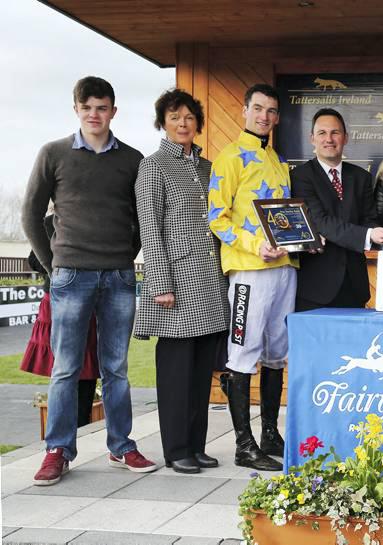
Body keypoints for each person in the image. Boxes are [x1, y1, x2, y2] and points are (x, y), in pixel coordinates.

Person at [22, 76, 157, 486]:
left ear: (113, 111)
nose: (94, 115)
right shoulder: (53, 153)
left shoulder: (133, 160)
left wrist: (125, 255)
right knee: (65, 368)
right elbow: (30, 215)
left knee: (116, 367)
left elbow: (142, 218)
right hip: (71, 276)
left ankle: (121, 445)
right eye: (87, 108)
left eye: (102, 108)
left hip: (119, 277)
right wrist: (54, 266)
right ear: (76, 110)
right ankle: (57, 451)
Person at [134, 89, 229, 474]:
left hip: (209, 280)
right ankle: (176, 450)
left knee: (201, 370)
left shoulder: (208, 168)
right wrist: (160, 282)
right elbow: (150, 228)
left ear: (198, 123)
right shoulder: (153, 166)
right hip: (175, 280)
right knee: (176, 371)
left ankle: (196, 445)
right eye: (174, 117)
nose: (183, 123)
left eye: (189, 117)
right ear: (163, 122)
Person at [209, 83, 295, 472]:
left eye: (271, 111)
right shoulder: (229, 157)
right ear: (244, 110)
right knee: (243, 352)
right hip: (249, 270)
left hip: (285, 268)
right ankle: (244, 445)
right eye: (258, 108)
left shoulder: (278, 159)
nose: (264, 116)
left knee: (277, 353)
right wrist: (253, 245)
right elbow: (216, 218)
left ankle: (269, 434)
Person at [292, 108, 383, 310]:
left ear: (345, 138)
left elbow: (369, 219)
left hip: (355, 286)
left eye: (335, 132)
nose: (329, 139)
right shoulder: (300, 177)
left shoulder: (361, 177)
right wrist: (368, 235)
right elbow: (320, 222)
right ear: (312, 139)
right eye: (322, 133)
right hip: (315, 289)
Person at [20, 213, 100, 428]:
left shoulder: (51, 222)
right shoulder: (56, 221)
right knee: (77, 364)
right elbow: (34, 260)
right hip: (72, 297)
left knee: (68, 365)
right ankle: (76, 427)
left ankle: (69, 429)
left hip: (67, 296)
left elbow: (35, 261)